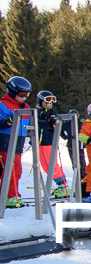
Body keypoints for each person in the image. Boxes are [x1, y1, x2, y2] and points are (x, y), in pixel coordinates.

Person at [0, 76, 32, 208]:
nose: (24, 97)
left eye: (27, 94)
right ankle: (9, 196)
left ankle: (12, 194)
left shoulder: (26, 107)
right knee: (10, 170)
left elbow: (29, 123)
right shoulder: (3, 105)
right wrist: (7, 122)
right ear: (12, 92)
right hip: (5, 142)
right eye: (21, 94)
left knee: (17, 170)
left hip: (18, 142)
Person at [36, 90, 68, 198]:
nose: (49, 105)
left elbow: (55, 124)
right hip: (40, 142)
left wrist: (53, 123)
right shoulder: (37, 113)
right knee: (44, 165)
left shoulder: (52, 113)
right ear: (40, 102)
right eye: (47, 102)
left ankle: (63, 185)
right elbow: (36, 122)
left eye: (51, 103)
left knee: (51, 164)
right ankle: (59, 185)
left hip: (49, 141)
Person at [62, 108, 87, 183]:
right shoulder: (66, 124)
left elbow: (86, 132)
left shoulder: (81, 124)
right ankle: (78, 175)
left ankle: (83, 175)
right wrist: (65, 136)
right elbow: (60, 130)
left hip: (80, 144)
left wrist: (85, 141)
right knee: (74, 161)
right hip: (71, 144)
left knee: (82, 160)